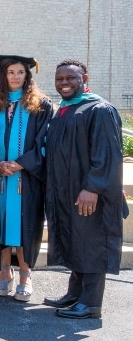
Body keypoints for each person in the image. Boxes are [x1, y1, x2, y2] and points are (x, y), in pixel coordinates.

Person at [42, 60, 127, 319]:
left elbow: (107, 154)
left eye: (71, 78)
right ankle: (75, 293)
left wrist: (93, 188)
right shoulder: (66, 110)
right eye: (60, 79)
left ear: (85, 78)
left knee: (91, 243)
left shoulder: (99, 109)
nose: (64, 83)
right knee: (76, 241)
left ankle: (91, 303)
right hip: (67, 190)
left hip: (88, 193)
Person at [0, 55, 53, 302]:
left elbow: (46, 141)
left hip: (26, 179)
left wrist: (21, 164)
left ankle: (25, 275)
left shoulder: (41, 105)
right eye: (10, 72)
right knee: (0, 224)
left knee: (25, 226)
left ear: (27, 76)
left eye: (20, 72)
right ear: (3, 75)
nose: (15, 76)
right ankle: (5, 273)